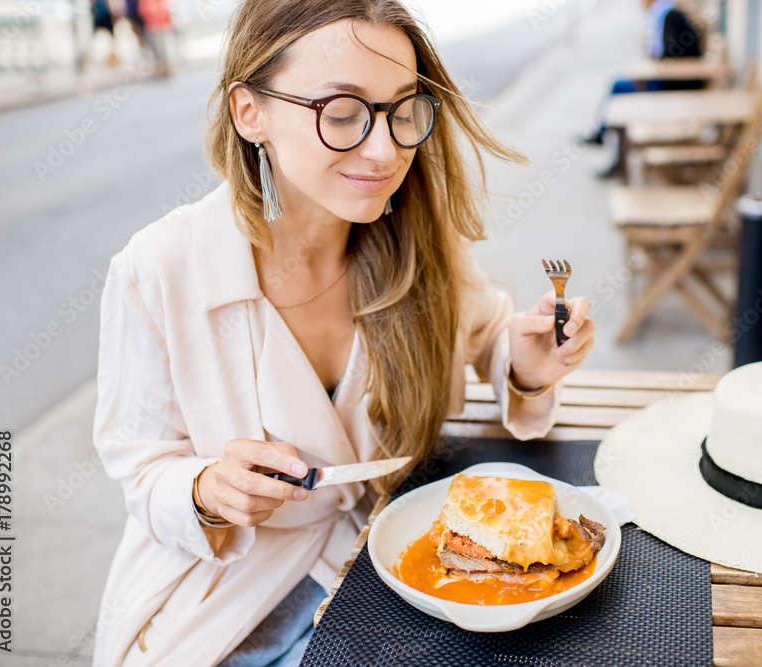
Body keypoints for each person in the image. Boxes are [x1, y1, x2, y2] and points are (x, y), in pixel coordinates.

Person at [90, 0, 596, 665]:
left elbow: (492, 334)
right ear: (251, 113)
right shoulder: (157, 272)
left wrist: (525, 362)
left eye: (403, 109)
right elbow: (142, 466)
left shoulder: (421, 244)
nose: (386, 149)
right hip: (221, 605)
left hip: (385, 576)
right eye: (343, 113)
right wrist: (207, 489)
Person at [584, 0, 706, 178]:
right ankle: (606, 139)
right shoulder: (667, 13)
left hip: (673, 87)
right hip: (672, 82)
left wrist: (652, 65)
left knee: (619, 91)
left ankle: (610, 149)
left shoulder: (668, 16)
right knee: (620, 90)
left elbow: (670, 54)